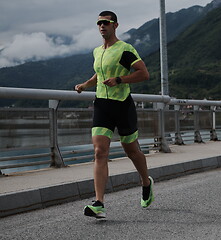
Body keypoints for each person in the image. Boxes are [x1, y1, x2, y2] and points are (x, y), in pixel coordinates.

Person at [75, 11, 154, 219]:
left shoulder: (124, 49)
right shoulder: (97, 51)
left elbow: (143, 74)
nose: (102, 26)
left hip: (122, 106)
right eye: (99, 23)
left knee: (132, 151)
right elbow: (99, 74)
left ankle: (146, 182)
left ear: (115, 25)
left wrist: (120, 80)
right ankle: (99, 203)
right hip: (102, 105)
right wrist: (85, 85)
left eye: (106, 23)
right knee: (100, 152)